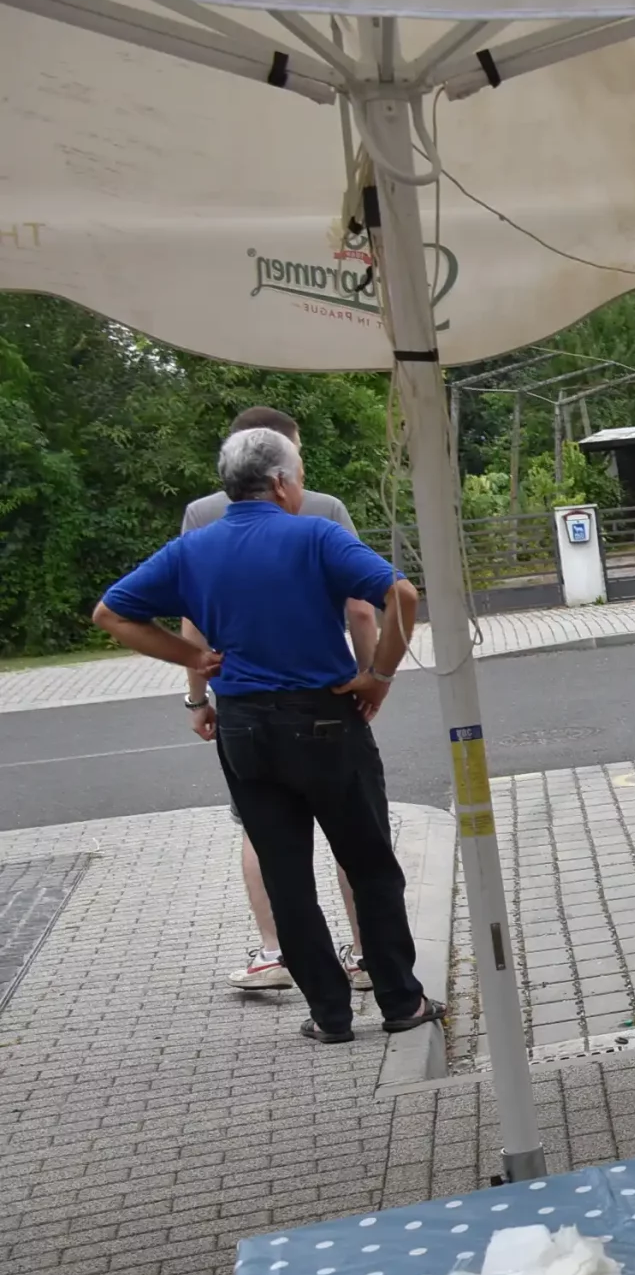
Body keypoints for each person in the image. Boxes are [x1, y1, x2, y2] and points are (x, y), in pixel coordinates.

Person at [92, 426, 444, 1043]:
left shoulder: (193, 549)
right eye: (300, 472)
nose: (301, 482)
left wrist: (194, 660)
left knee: (286, 876)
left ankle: (330, 1016)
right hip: (327, 720)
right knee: (369, 864)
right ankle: (400, 1002)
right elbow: (399, 595)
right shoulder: (315, 534)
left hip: (245, 729)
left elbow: (111, 613)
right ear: (281, 482)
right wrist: (379, 675)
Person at [181, 406, 378, 995]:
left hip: (242, 708)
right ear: (284, 467)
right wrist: (371, 674)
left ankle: (277, 955)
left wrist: (198, 698)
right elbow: (366, 605)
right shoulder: (324, 512)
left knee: (262, 835)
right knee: (353, 829)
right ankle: (370, 959)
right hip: (326, 698)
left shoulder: (202, 516)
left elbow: (192, 619)